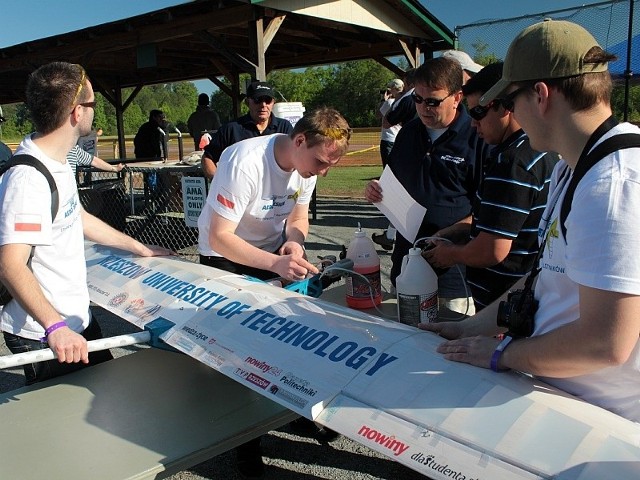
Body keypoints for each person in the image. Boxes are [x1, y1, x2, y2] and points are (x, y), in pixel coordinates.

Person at [422, 20, 640, 423]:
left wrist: (504, 354)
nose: (510, 112)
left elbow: (606, 343)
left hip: (605, 418)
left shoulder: (612, 185)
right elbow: (545, 277)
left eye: (511, 99)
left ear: (539, 95)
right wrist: (471, 327)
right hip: (565, 396)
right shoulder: (573, 169)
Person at [198, 106, 350, 477]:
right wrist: (274, 264)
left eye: (329, 165)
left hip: (269, 254)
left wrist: (294, 245)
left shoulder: (306, 164)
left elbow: (298, 218)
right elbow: (220, 237)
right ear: (299, 140)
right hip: (225, 256)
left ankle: (290, 410)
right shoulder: (246, 162)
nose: (323, 172)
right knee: (236, 355)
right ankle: (244, 447)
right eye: (319, 162)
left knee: (285, 342)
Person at [0, 62, 174, 387]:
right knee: (65, 425)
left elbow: (75, 216)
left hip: (75, 319)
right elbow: (11, 265)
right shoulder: (28, 180)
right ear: (76, 113)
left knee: (108, 394)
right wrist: (55, 327)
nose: (95, 112)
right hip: (44, 331)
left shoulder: (58, 160)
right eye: (93, 104)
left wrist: (139, 247)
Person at [423, 62, 559, 310]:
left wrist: (450, 254)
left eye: (477, 113)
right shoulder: (539, 150)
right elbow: (505, 221)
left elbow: (491, 250)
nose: (473, 125)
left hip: (503, 304)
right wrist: (456, 231)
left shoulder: (511, 163)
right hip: (527, 294)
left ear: (505, 105)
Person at [365, 57, 488, 316]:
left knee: (449, 344)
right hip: (408, 260)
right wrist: (377, 190)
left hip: (453, 270)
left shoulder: (478, 136)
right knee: (405, 335)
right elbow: (393, 180)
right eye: (417, 100)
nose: (423, 108)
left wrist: (451, 234)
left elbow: (489, 210)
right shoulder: (409, 133)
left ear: (457, 97)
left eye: (433, 101)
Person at [201, 81, 293, 179]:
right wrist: (219, 182)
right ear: (247, 102)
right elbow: (207, 157)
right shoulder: (231, 129)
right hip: (241, 191)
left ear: (273, 103)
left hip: (276, 190)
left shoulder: (284, 127)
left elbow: (296, 156)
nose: (263, 105)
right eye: (258, 100)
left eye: (268, 100)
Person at [372, 68, 417, 251]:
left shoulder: (405, 99)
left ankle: (393, 235)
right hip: (418, 148)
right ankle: (392, 234)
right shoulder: (419, 97)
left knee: (399, 190)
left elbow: (385, 121)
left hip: (406, 148)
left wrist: (391, 101)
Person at [378, 78, 404, 168]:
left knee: (388, 167)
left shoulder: (389, 102)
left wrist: (383, 100)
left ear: (394, 88)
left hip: (388, 139)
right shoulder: (404, 101)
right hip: (399, 138)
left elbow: (378, 114)